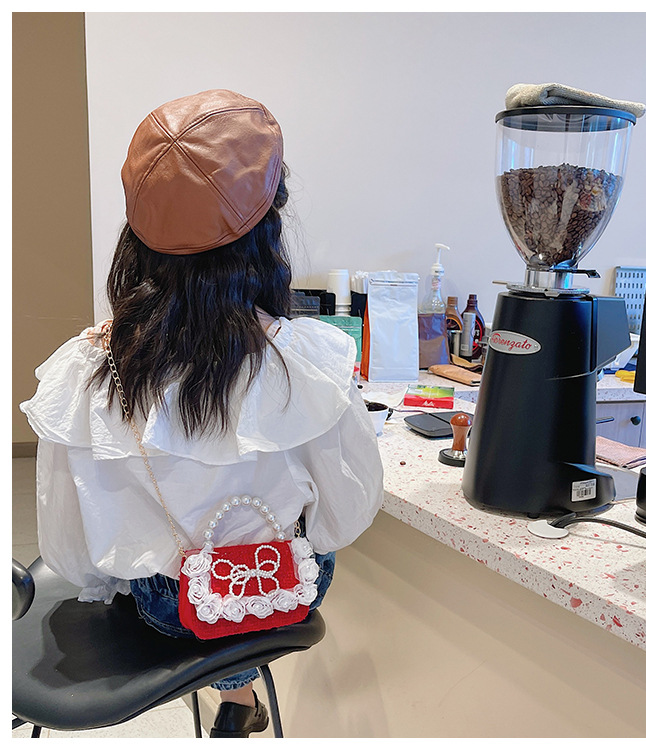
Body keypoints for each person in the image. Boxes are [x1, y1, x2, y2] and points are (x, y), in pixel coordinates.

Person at [20, 89, 384, 738]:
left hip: (166, 604)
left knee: (163, 567)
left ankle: (234, 696)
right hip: (280, 586)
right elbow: (345, 515)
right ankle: (238, 692)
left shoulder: (88, 367)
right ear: (267, 232)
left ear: (137, 235)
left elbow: (73, 553)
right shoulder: (307, 359)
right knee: (290, 549)